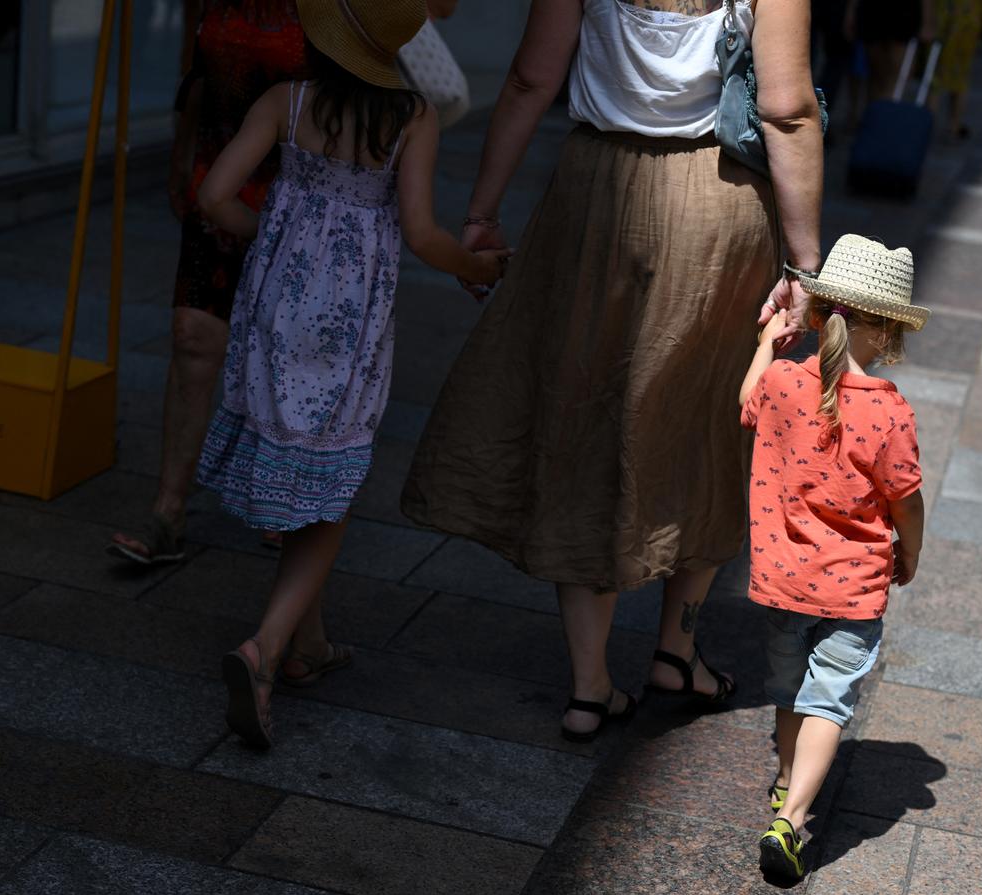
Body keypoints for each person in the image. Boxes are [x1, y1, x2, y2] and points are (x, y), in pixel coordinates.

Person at [401, 0, 825, 743]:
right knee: (705, 426)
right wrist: (804, 261)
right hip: (719, 205)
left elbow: (534, 79)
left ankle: (589, 684)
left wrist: (482, 210)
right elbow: (786, 109)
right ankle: (676, 650)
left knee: (584, 413)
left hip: (595, 193)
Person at [198, 0, 509, 750]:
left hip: (274, 311)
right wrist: (477, 267)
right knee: (329, 492)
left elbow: (214, 197)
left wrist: (267, 241)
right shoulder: (412, 118)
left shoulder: (286, 101)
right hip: (350, 330)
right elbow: (423, 233)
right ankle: (266, 650)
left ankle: (308, 647)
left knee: (301, 473)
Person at [737, 234, 928, 882]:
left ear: (818, 317)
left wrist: (769, 341)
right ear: (888, 333)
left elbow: (746, 401)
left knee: (790, 690)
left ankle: (787, 778)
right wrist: (910, 554)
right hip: (851, 591)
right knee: (828, 701)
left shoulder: (786, 384)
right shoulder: (890, 411)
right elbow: (906, 501)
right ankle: (791, 819)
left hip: (781, 581)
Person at [110, 0, 306, 565]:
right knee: (193, 333)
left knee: (287, 346)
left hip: (303, 182)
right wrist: (183, 150)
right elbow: (199, 66)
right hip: (220, 168)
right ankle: (168, 511)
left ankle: (283, 502)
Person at [926, 0, 982, 140]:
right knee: (959, 75)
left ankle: (927, 124)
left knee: (936, 76)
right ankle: (953, 125)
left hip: (943, 17)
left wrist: (927, 19)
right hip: (966, 21)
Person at [846, 0, 925, 108]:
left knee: (898, 70)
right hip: (874, 10)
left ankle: (883, 109)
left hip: (903, 11)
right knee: (877, 71)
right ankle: (877, 110)